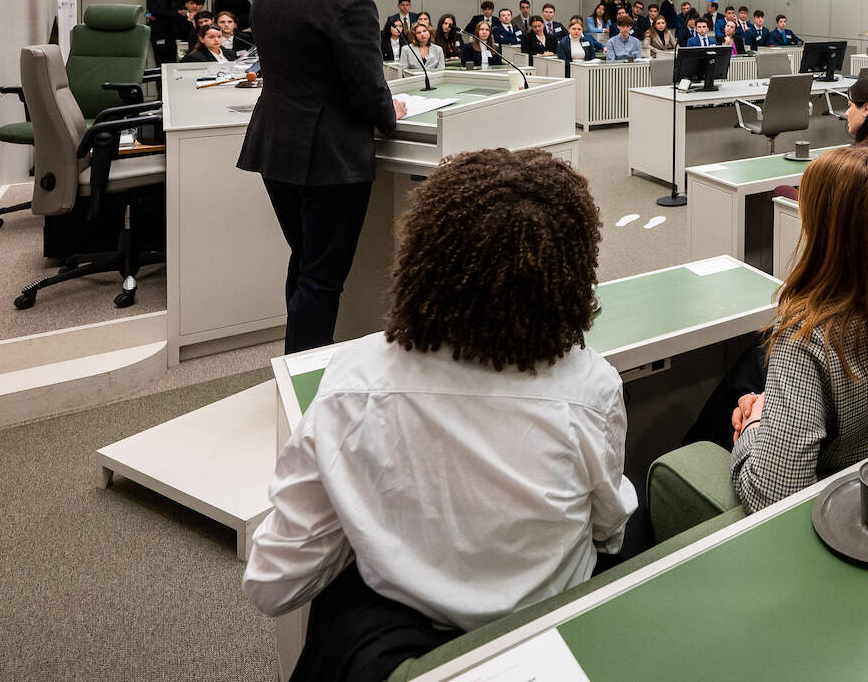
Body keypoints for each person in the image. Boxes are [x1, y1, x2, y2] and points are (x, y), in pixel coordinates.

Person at [244, 149, 635, 680]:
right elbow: (609, 533)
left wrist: (367, 522)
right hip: (552, 640)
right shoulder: (592, 387)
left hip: (398, 649)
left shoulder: (355, 382)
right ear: (570, 274)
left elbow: (273, 583)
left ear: (426, 255)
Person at [725, 146, 868, 512]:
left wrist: (756, 425)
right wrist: (777, 405)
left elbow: (772, 495)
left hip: (840, 512)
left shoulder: (804, 339)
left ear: (828, 234)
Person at [238, 0, 407, 354]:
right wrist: (392, 112)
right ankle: (306, 382)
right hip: (329, 159)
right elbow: (367, 90)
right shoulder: (350, 1)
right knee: (323, 277)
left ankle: (295, 366)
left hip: (276, 150)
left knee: (306, 260)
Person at [144, 0, 192, 65]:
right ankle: (160, 80)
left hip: (178, 36)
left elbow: (186, 14)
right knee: (160, 62)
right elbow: (155, 12)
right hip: (159, 35)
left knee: (179, 62)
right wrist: (177, 12)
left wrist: (163, 14)